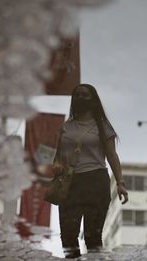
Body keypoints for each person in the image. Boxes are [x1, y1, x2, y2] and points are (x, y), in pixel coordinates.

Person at [52, 83, 128, 258]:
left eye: (85, 95)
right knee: (68, 238)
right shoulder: (66, 127)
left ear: (93, 99)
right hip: (69, 184)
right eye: (77, 95)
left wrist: (120, 183)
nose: (80, 97)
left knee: (92, 238)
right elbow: (57, 156)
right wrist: (56, 165)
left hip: (96, 182)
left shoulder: (102, 126)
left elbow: (112, 156)